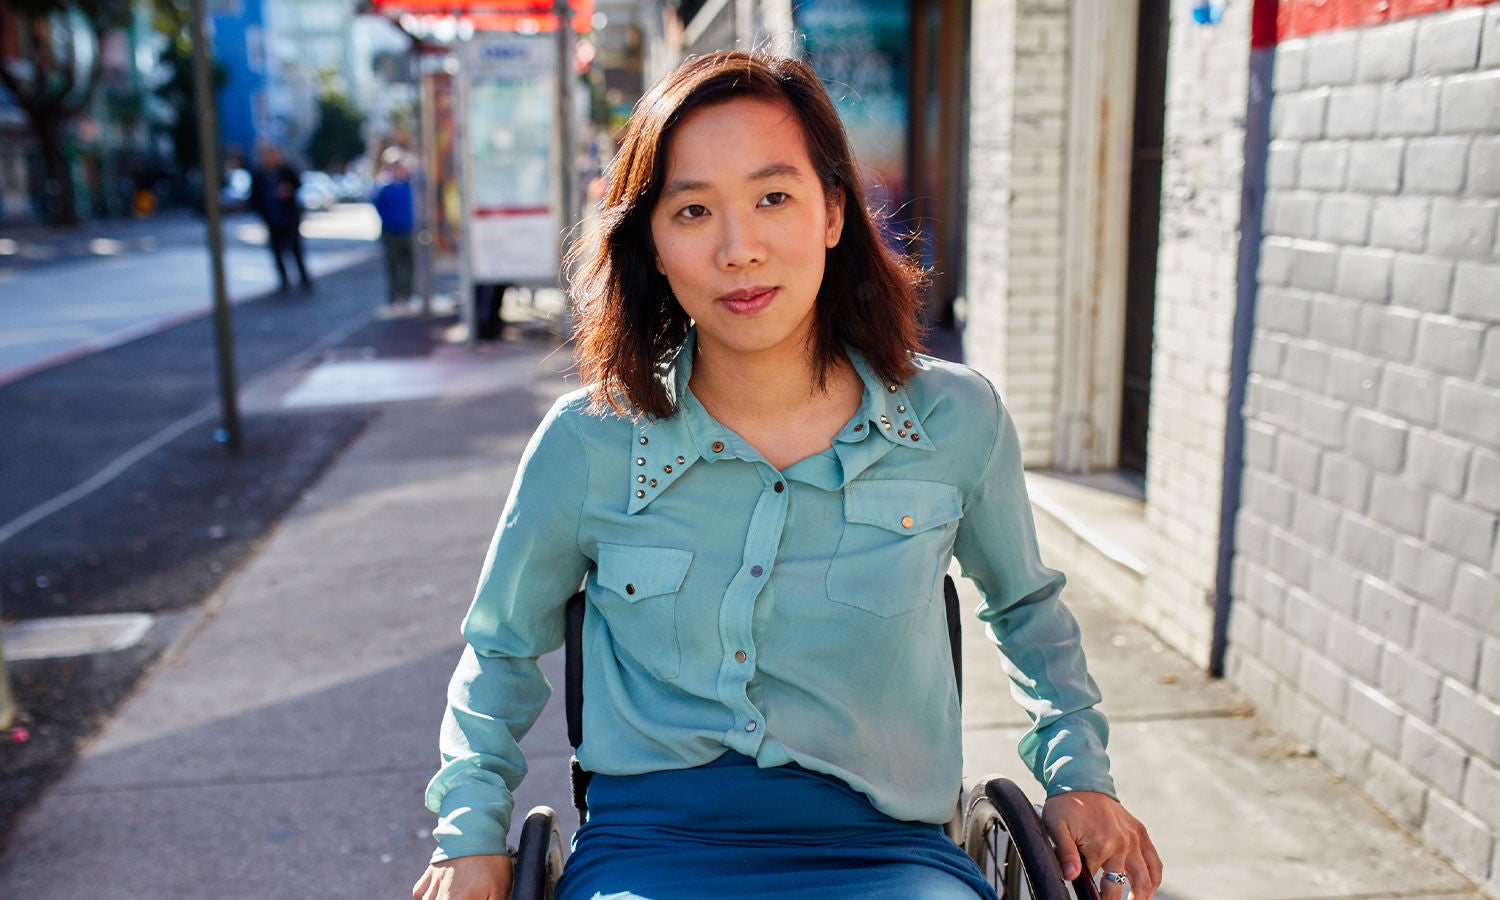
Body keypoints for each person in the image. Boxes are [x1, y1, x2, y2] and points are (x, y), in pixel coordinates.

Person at [414, 51, 1161, 900]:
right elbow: (501, 648)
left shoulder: (957, 421)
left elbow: (1026, 607)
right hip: (650, 851)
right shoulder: (589, 443)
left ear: (833, 211)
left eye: (773, 198)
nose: (740, 250)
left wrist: (1079, 773)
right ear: (653, 243)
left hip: (891, 853)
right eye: (693, 211)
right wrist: (470, 833)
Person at [249, 144, 312, 293]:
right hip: (272, 218)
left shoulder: (286, 170)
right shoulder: (260, 174)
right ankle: (284, 281)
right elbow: (254, 197)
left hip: (288, 217)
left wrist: (288, 189)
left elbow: (298, 183)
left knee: (295, 249)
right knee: (277, 251)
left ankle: (303, 278)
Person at [373, 148, 417, 307]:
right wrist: (389, 221)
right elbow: (378, 206)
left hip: (407, 229)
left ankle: (407, 294)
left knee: (409, 264)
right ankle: (394, 295)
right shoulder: (384, 186)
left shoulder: (409, 184)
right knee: (393, 264)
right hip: (391, 231)